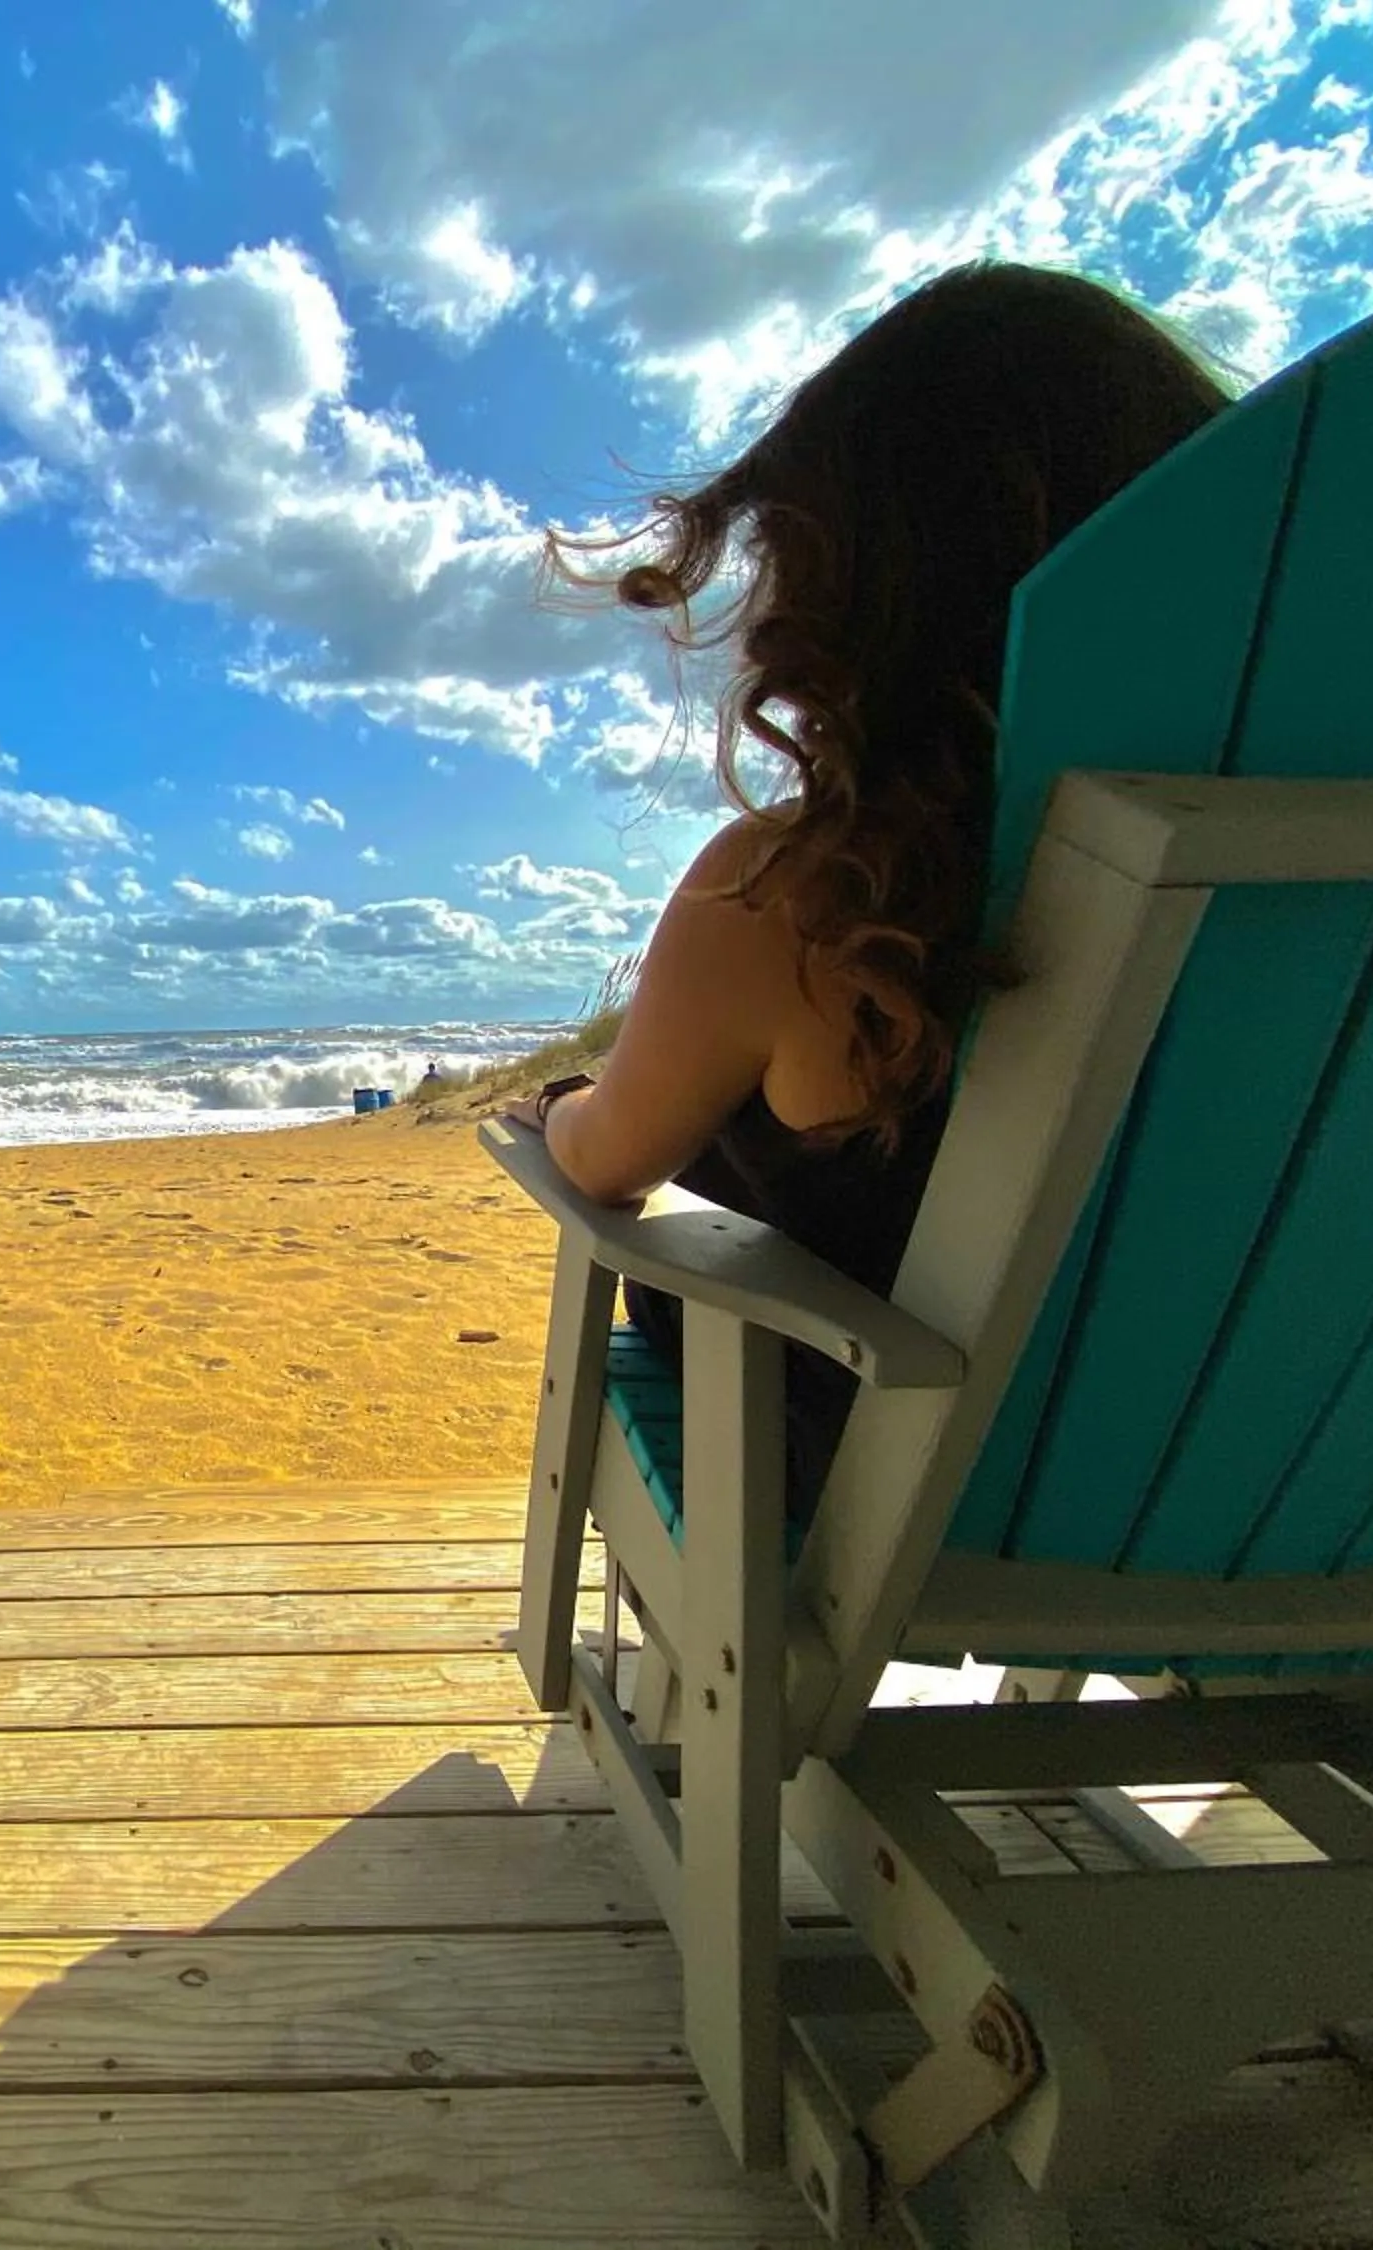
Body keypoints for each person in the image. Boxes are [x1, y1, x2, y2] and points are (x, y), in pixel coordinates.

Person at [506, 265, 1228, 1517]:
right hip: (1295, 1471)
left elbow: (610, 1161)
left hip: (922, 1515)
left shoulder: (802, 901)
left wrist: (557, 1113)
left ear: (849, 592)